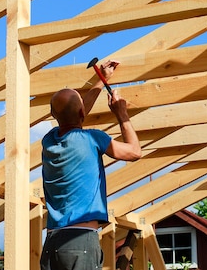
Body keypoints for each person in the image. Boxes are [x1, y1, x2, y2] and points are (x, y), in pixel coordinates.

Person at [40, 60, 141, 270]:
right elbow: (134, 152)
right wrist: (121, 114)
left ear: (53, 116)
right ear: (81, 114)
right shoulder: (93, 139)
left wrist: (100, 80)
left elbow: (75, 113)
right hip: (80, 239)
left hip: (52, 241)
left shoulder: (49, 141)